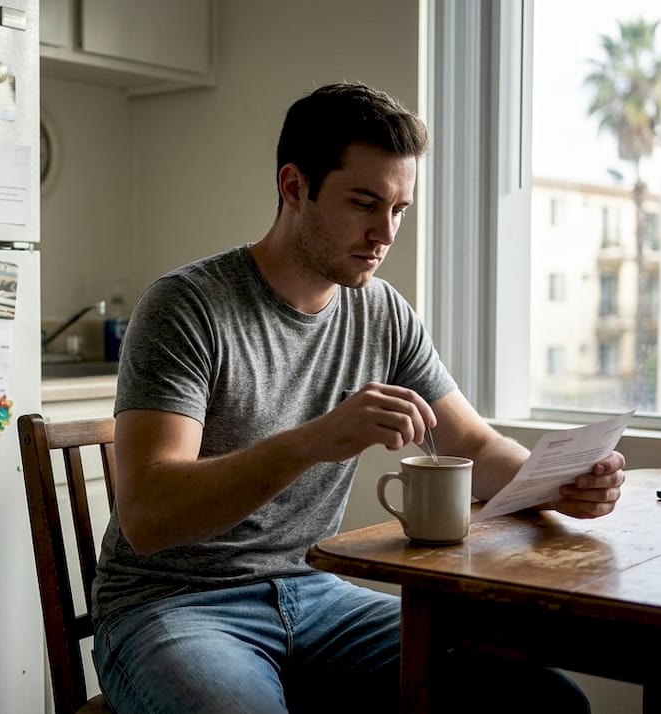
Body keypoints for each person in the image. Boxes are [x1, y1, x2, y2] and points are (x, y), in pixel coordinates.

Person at [90, 81, 627, 713]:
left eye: (400, 209)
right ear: (294, 187)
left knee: (542, 700)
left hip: (317, 596)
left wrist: (559, 482)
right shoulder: (186, 306)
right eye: (365, 203)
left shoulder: (382, 312)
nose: (386, 232)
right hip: (172, 605)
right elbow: (149, 516)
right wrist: (316, 439)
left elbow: (473, 442)